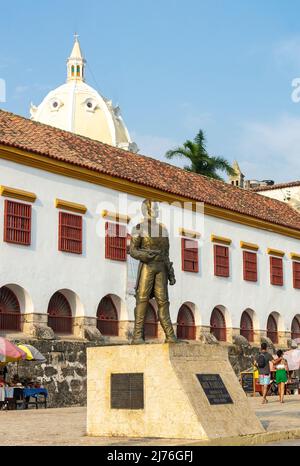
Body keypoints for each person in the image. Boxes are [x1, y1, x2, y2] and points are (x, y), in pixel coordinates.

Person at [129, 199, 178, 343]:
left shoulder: (163, 230)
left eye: (157, 208)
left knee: (164, 302)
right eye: (154, 208)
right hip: (147, 266)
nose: (157, 210)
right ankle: (137, 336)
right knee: (142, 300)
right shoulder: (139, 228)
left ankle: (170, 336)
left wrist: (171, 274)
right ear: (146, 210)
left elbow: (166, 254)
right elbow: (133, 250)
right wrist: (145, 255)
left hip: (161, 268)